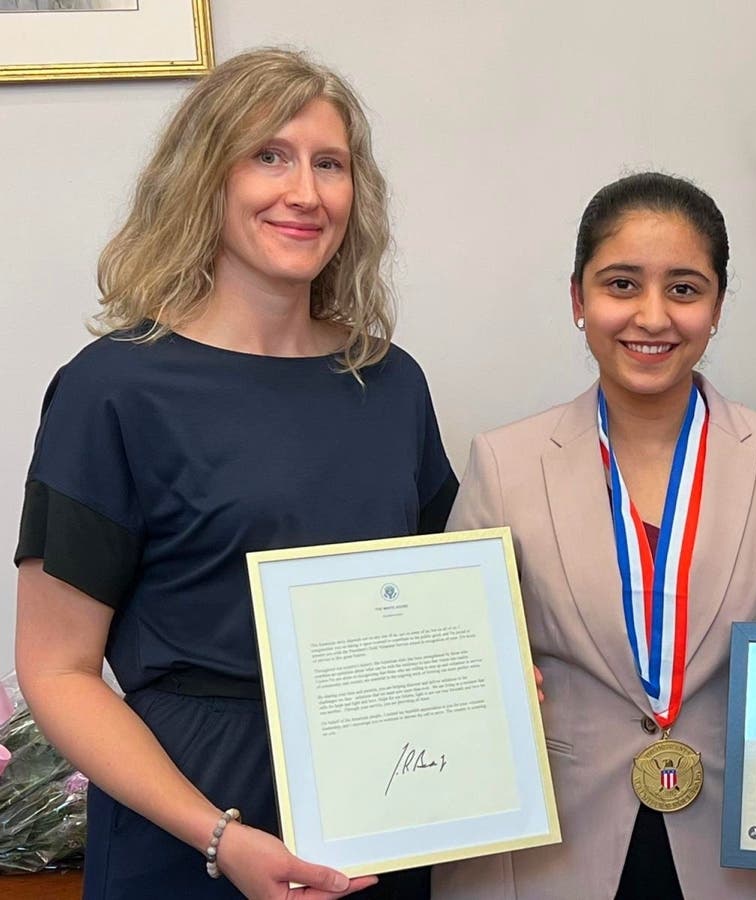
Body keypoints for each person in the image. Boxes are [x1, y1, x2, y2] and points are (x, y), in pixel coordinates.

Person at [14, 49, 456, 900]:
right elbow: (58, 671)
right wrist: (219, 836)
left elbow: (421, 613)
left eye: (330, 164)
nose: (305, 192)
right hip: (188, 819)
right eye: (269, 156)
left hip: (378, 808)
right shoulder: (112, 389)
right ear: (204, 178)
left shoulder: (392, 384)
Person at [433, 172, 756, 900]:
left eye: (685, 288)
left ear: (718, 304)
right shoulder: (503, 463)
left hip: (731, 857)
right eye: (622, 284)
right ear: (578, 299)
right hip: (545, 855)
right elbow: (458, 674)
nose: (653, 316)